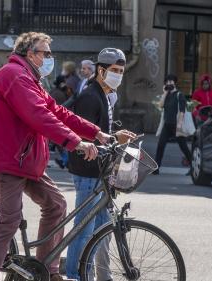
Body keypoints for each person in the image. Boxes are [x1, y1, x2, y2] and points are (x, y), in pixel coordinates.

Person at [0, 32, 114, 281]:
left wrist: (96, 133)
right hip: (10, 160)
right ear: (31, 54)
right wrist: (76, 143)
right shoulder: (14, 76)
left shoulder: (30, 78)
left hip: (25, 160)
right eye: (46, 53)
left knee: (56, 205)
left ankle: (45, 272)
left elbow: (58, 111)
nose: (50, 58)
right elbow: (39, 115)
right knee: (9, 220)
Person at [66, 48, 136, 280]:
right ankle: (75, 275)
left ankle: (98, 276)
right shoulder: (89, 96)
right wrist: (116, 138)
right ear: (101, 70)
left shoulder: (105, 95)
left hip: (99, 173)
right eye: (114, 70)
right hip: (88, 172)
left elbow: (100, 133)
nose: (118, 75)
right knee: (84, 229)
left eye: (121, 71)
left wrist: (116, 135)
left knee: (103, 229)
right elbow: (86, 138)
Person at [153, 74, 192, 174]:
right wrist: (165, 93)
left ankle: (194, 167)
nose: (169, 83)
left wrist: (179, 125)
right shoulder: (167, 95)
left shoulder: (179, 95)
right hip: (167, 125)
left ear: (175, 83)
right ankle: (156, 168)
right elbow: (160, 105)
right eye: (167, 82)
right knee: (160, 145)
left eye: (171, 81)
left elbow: (182, 111)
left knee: (183, 147)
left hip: (176, 125)